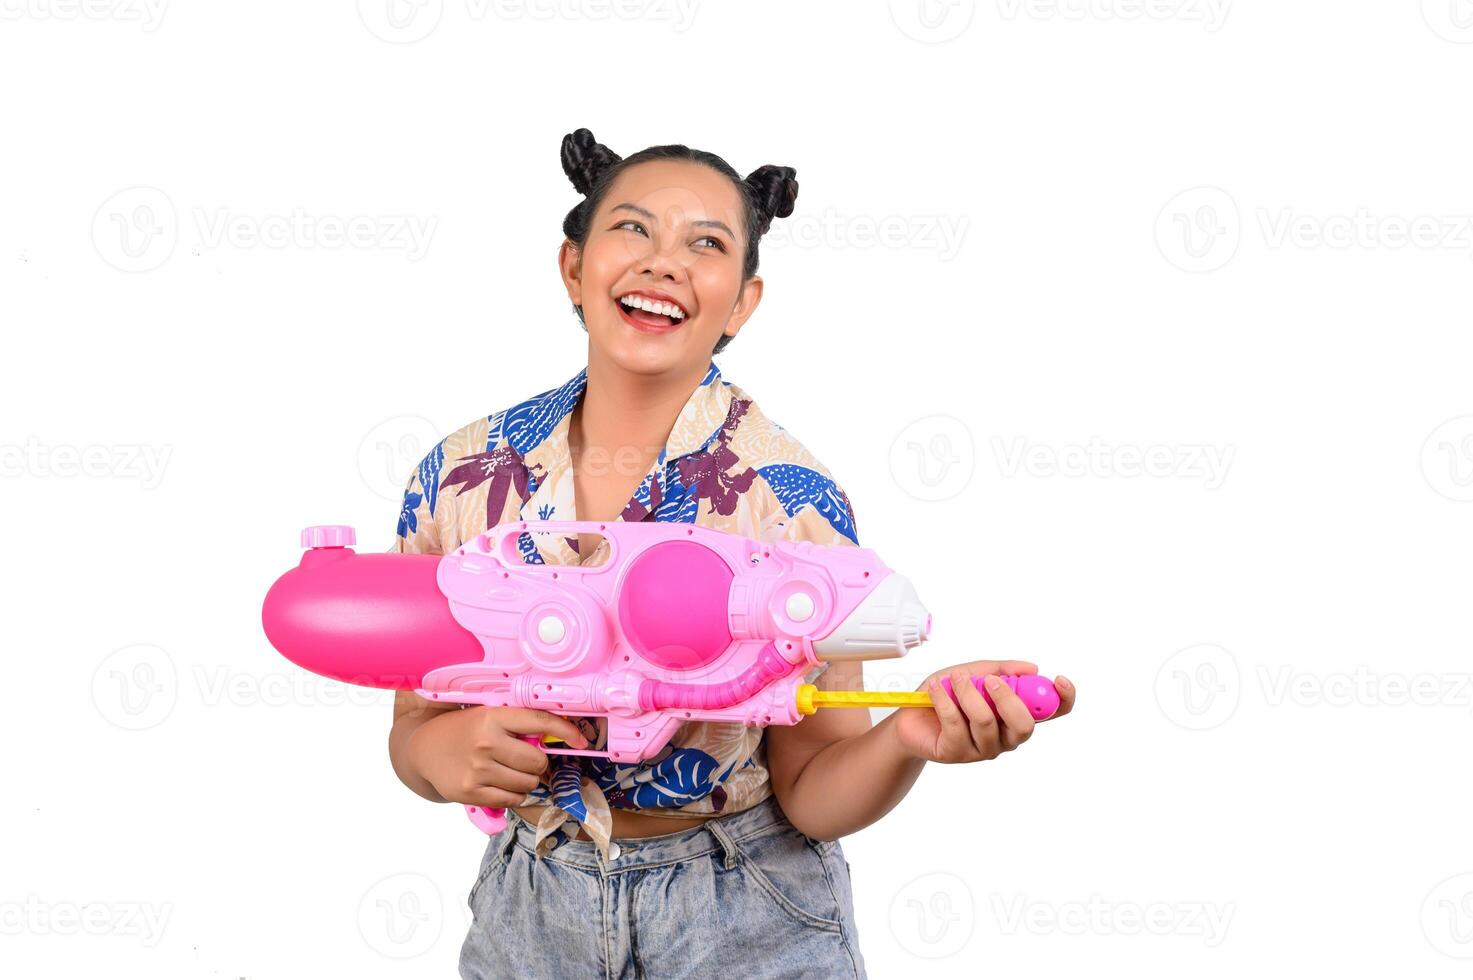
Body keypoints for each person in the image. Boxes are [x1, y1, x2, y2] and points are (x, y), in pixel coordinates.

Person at [387, 128, 1076, 979]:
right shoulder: (460, 476)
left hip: (744, 908)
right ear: (573, 266)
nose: (663, 262)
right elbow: (414, 723)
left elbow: (815, 788)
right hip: (530, 907)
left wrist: (908, 736)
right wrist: (435, 757)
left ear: (743, 302)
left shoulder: (787, 497)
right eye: (632, 229)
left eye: (704, 243)